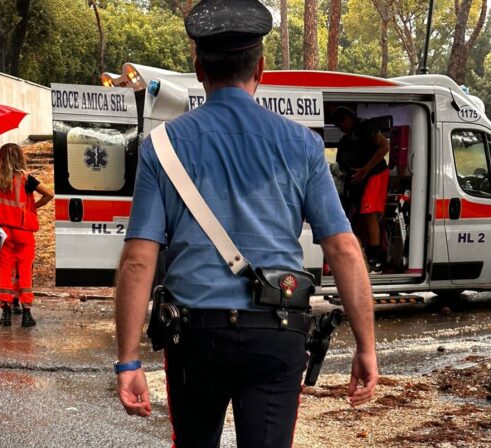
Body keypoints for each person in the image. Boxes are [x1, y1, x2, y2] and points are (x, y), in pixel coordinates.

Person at [114, 1, 378, 446]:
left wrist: (128, 361)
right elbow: (344, 250)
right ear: (262, 67)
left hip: (195, 337)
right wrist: (366, 346)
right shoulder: (304, 146)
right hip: (277, 334)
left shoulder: (160, 147)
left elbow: (139, 261)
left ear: (198, 67)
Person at [0, 143, 53, 327]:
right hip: (24, 232)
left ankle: (6, 312)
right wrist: (32, 208)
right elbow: (49, 194)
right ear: (19, 158)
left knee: (5, 271)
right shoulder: (26, 179)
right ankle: (26, 313)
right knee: (24, 271)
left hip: (3, 233)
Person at [334, 106, 390, 273]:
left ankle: (376, 259)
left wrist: (365, 170)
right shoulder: (345, 141)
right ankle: (361, 255)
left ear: (349, 118)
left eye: (342, 122)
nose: (341, 127)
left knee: (369, 213)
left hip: (375, 173)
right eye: (338, 125)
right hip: (358, 179)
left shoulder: (365, 127)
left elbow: (385, 147)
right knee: (358, 216)